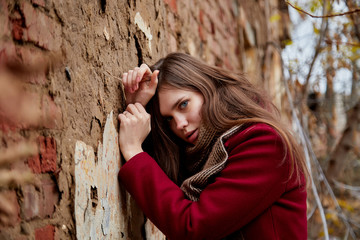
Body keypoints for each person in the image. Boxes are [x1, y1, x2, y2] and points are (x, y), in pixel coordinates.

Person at [117, 52, 308, 239]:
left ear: (206, 89)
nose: (179, 124)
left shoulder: (265, 145)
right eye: (168, 119)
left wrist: (134, 151)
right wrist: (138, 107)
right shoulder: (200, 155)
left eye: (183, 105)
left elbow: (192, 227)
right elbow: (165, 190)